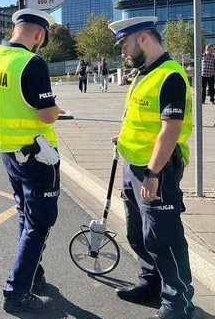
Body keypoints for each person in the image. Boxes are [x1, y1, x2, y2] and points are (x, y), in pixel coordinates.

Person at [108, 17, 195, 319]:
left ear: (143, 38)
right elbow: (144, 120)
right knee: (137, 233)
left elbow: (170, 129)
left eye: (125, 45)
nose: (123, 52)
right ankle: (151, 284)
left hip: (157, 171)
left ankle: (178, 305)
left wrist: (154, 173)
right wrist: (125, 138)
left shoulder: (170, 75)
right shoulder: (145, 74)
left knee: (164, 238)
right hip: (133, 165)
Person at [0, 8, 62, 313]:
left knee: (25, 214)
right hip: (37, 156)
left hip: (8, 152)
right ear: (39, 34)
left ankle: (34, 274)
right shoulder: (32, 62)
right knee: (40, 222)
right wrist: (56, 110)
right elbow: (46, 113)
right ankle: (16, 291)